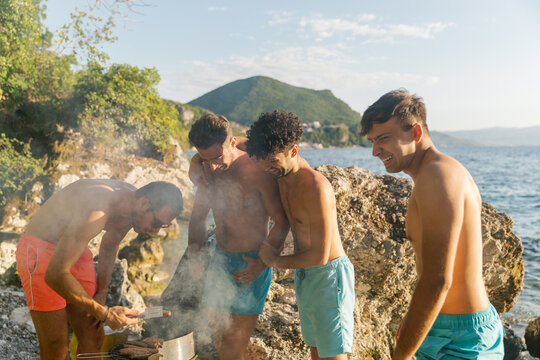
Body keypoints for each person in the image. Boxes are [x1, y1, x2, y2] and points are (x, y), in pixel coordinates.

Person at [360, 89, 504, 360]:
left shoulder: (438, 175)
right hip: (441, 330)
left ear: (415, 133)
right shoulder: (429, 175)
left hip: (463, 339)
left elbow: (438, 279)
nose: (375, 151)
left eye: (383, 139)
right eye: (372, 141)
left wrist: (400, 356)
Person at [15, 180, 183, 360]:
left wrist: (101, 293)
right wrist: (105, 313)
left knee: (94, 335)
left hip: (76, 250)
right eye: (157, 222)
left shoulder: (132, 208)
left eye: (162, 226)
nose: (157, 231)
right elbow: (55, 274)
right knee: (56, 346)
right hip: (41, 251)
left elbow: (110, 245)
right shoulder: (98, 209)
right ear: (144, 204)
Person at [246, 110, 355, 360]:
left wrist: (273, 262)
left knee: (334, 356)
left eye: (272, 160)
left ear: (293, 150)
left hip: (329, 276)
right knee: (315, 353)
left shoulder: (316, 187)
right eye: (262, 160)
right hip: (305, 275)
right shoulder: (281, 174)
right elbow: (236, 141)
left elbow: (319, 256)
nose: (265, 167)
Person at [186, 114, 289, 360]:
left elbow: (282, 221)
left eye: (216, 158)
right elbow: (198, 217)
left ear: (232, 143)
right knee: (219, 340)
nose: (211, 166)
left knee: (233, 346)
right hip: (219, 260)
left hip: (250, 263)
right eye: (204, 159)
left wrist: (262, 263)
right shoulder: (206, 168)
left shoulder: (257, 171)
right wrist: (194, 255)